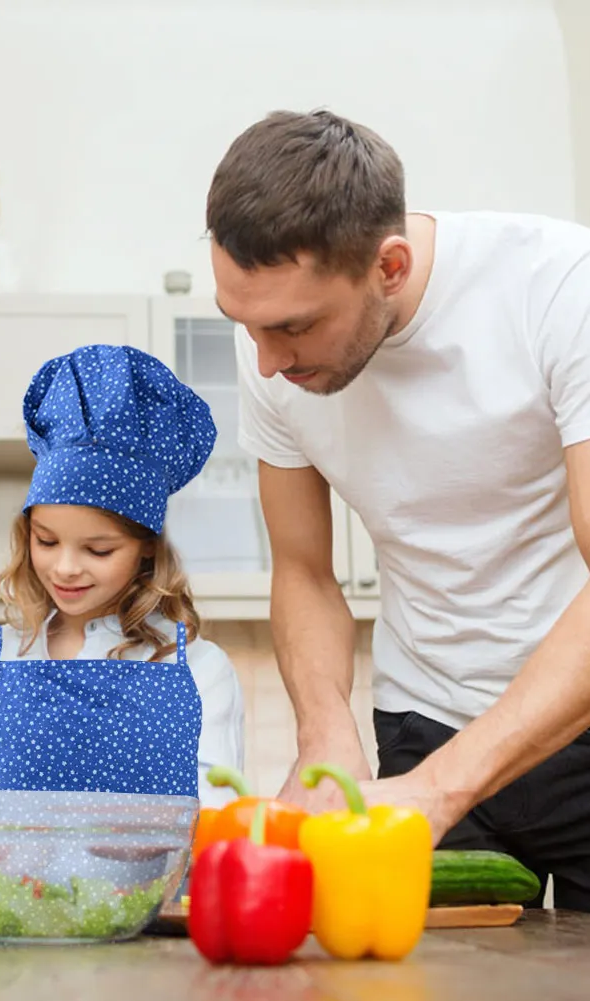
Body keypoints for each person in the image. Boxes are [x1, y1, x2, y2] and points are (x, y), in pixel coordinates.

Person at [207, 107, 590, 909]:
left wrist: (441, 789)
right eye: (244, 326)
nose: (267, 363)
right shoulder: (270, 354)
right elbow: (304, 570)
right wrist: (325, 730)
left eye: (293, 327)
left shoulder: (558, 286)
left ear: (389, 266)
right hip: (419, 719)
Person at [0, 344, 245, 833]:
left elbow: (220, 824)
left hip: (160, 911)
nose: (65, 568)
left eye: (98, 551)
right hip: (7, 909)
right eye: (46, 541)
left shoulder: (200, 670)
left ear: (147, 548)